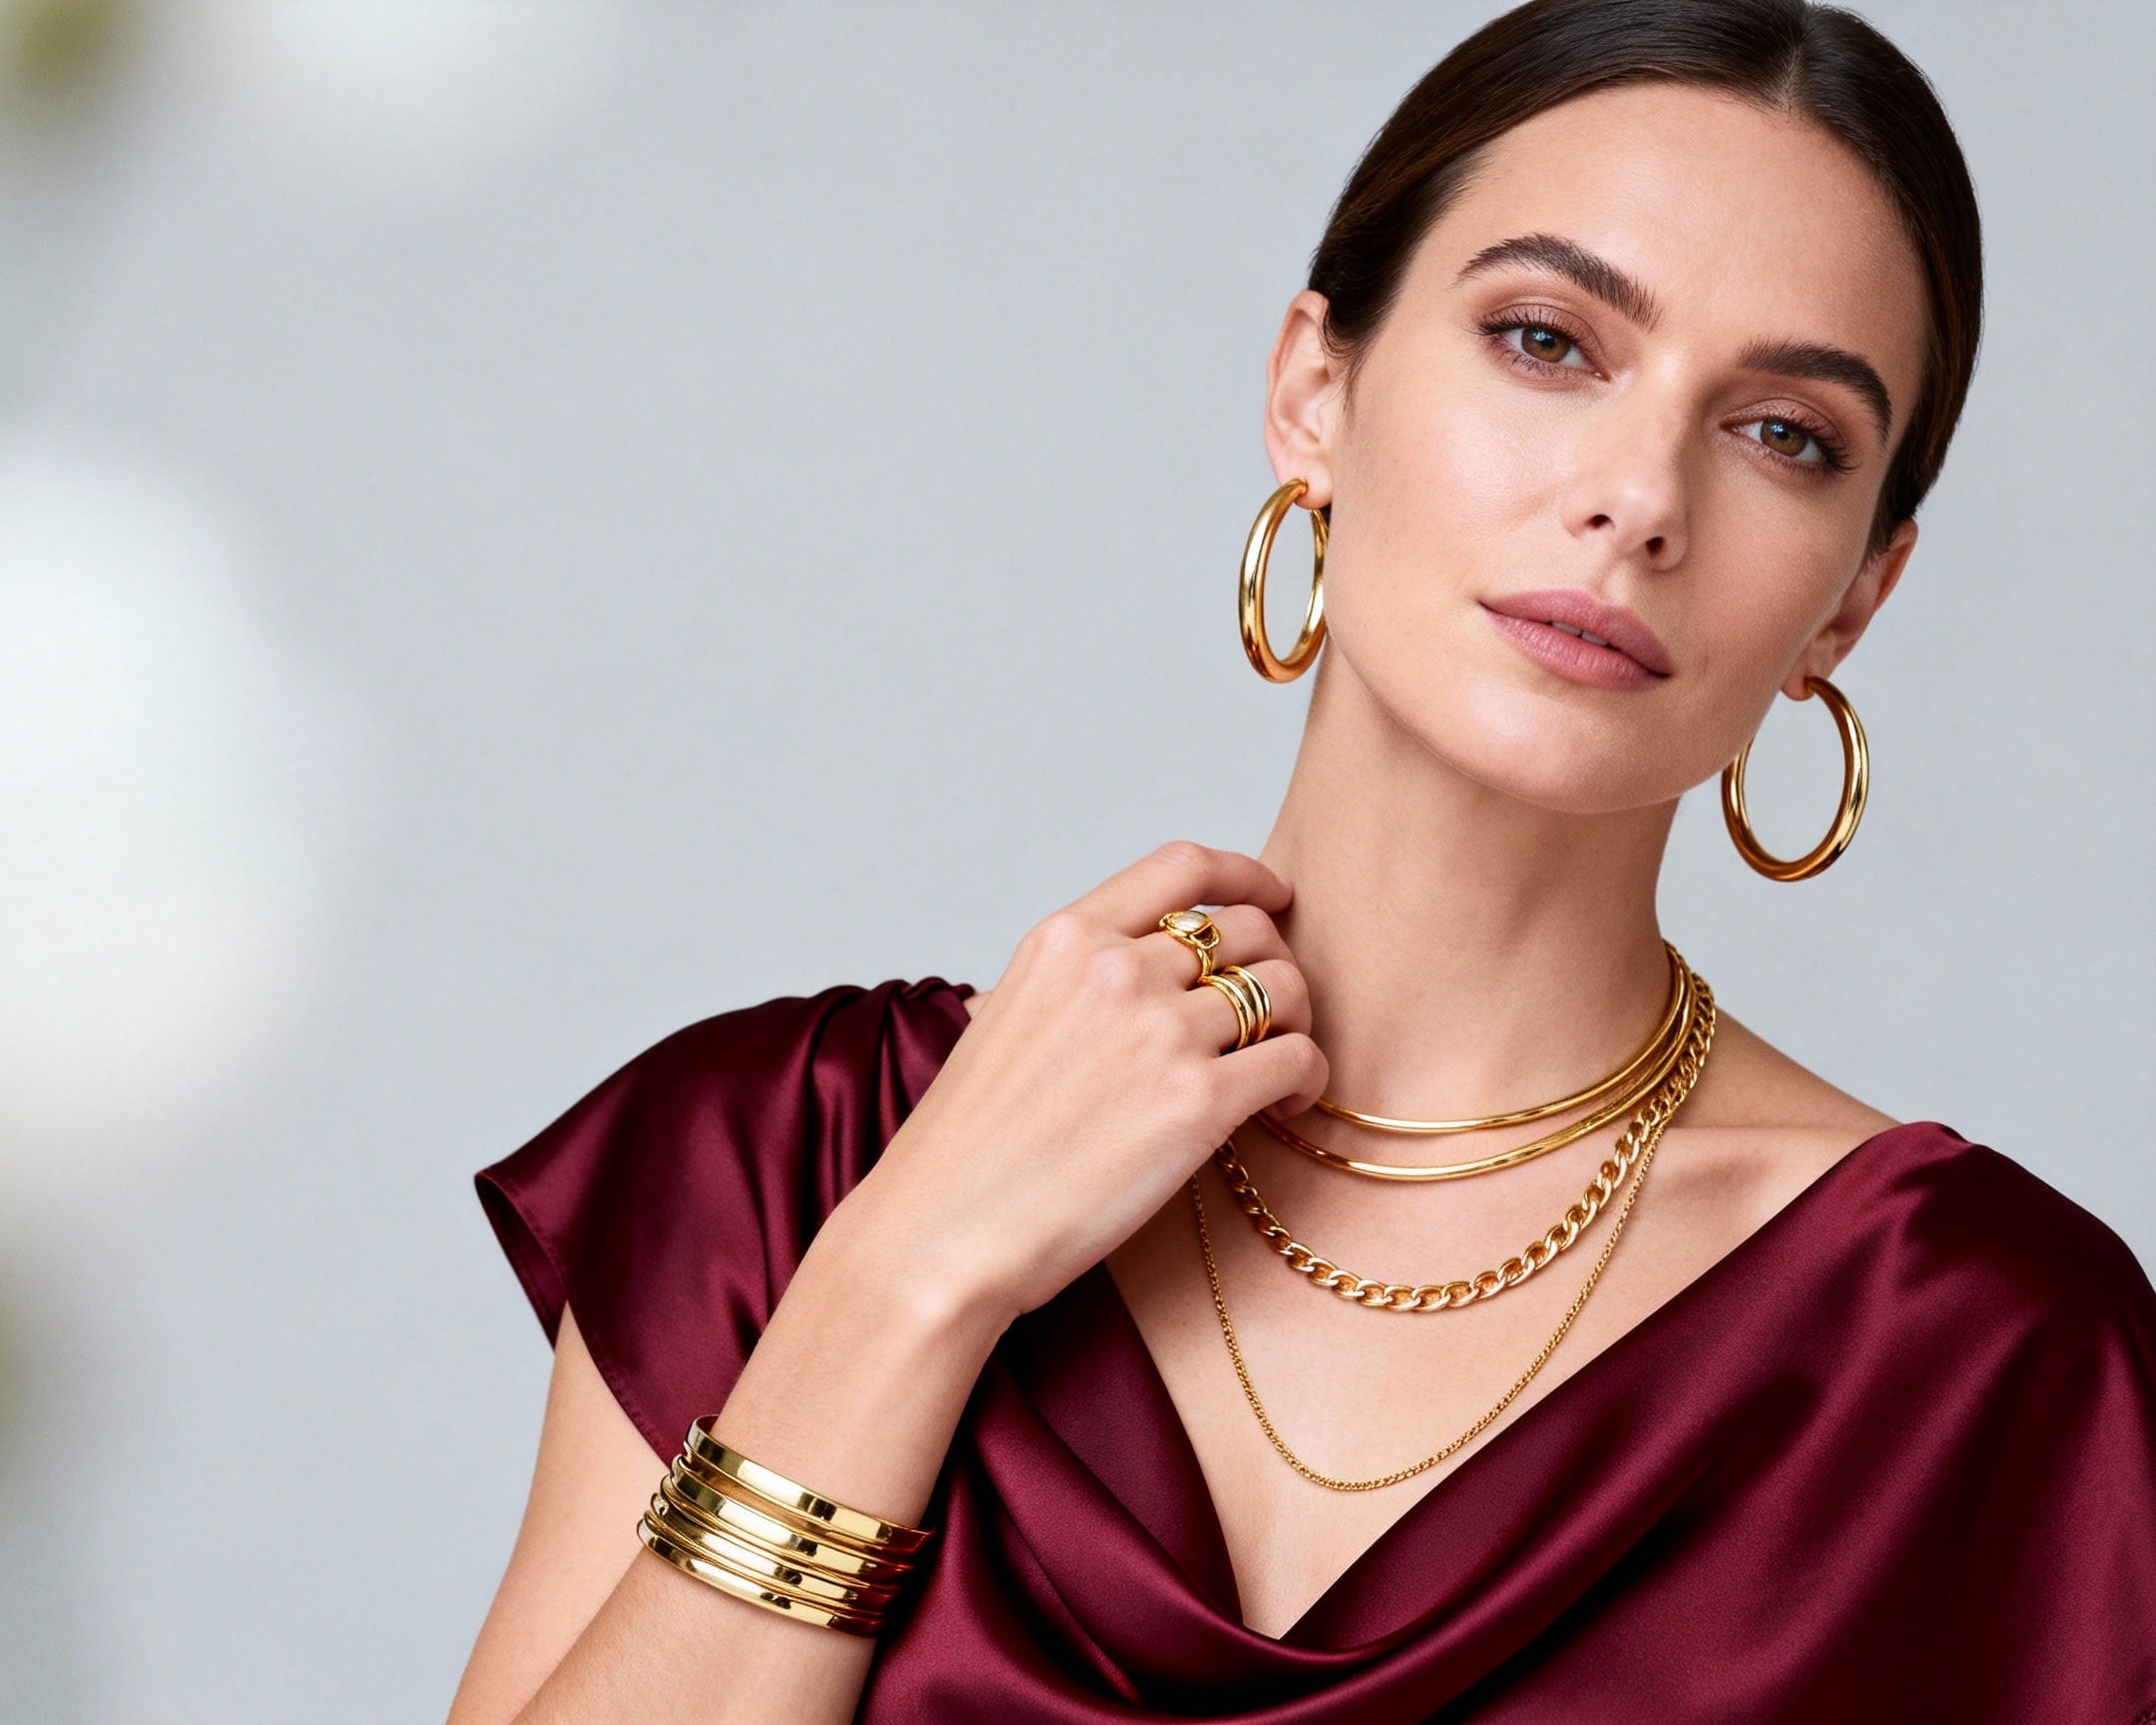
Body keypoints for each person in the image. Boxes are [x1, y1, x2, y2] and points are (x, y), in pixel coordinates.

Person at [447, 1, 2156, 1719]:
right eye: (1550, 340)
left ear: (1855, 596)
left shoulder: (1984, 1360)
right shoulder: (791, 1159)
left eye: (1785, 433)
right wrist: (907, 1278)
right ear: (1313, 391)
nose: (1642, 496)